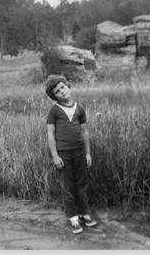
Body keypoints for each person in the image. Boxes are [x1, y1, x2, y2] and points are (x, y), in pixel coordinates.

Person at [45, 74, 97, 234]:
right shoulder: (54, 111)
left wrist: (87, 153)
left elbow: (85, 132)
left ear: (68, 86)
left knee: (81, 185)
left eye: (62, 87)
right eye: (57, 91)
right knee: (67, 186)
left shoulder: (79, 108)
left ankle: (84, 213)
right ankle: (73, 218)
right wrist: (55, 156)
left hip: (80, 153)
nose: (61, 91)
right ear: (54, 96)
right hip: (63, 155)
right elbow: (50, 135)